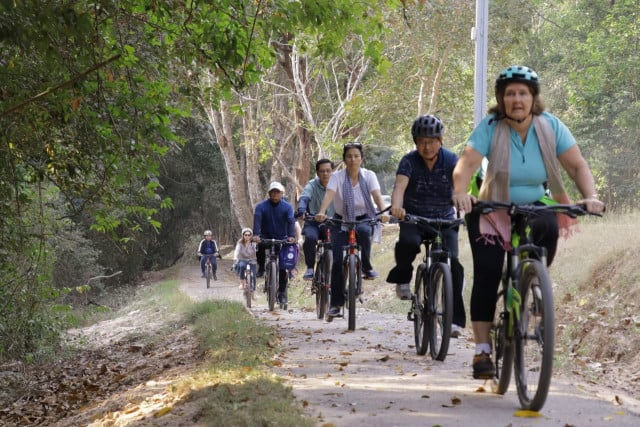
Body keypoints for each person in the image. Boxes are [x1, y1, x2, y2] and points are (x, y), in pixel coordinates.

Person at [451, 65, 606, 379]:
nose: (516, 99)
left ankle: (533, 279)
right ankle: (482, 350)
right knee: (488, 273)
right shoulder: (491, 127)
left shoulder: (550, 126)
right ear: (502, 99)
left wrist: (590, 195)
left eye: (523, 93)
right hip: (491, 204)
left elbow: (576, 166)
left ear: (534, 98)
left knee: (548, 225)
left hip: (534, 201)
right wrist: (459, 193)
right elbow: (465, 165)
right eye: (510, 94)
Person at [386, 115, 467, 337]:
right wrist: (397, 207)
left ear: (440, 140)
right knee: (408, 243)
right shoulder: (409, 161)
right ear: (415, 142)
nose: (427, 146)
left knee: (454, 265)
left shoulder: (451, 159)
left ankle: (454, 321)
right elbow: (400, 188)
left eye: (431, 141)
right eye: (421, 141)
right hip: (415, 218)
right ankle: (403, 276)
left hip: (444, 219)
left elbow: (459, 185)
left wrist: (460, 197)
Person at [315, 142, 389, 318]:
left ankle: (366, 267)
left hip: (364, 217)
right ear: (344, 159)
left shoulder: (369, 175)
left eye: (356, 156)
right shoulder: (337, 177)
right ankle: (336, 304)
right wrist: (322, 211)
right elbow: (329, 195)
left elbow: (377, 196)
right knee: (338, 262)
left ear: (361, 158)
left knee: (364, 232)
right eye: (349, 156)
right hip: (341, 220)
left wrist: (383, 212)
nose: (353, 159)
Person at [253, 181, 297, 305]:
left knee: (283, 266)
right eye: (272, 191)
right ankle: (261, 267)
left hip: (282, 238)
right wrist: (256, 235)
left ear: (282, 193)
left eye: (277, 192)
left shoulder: (287, 207)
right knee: (260, 246)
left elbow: (290, 221)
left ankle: (282, 293)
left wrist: (292, 236)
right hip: (265, 236)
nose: (275, 194)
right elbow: (257, 219)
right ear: (269, 193)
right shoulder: (261, 206)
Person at [295, 159, 335, 280]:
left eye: (328, 171)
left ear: (332, 172)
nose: (325, 174)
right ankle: (310, 268)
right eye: (322, 171)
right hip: (313, 223)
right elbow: (304, 197)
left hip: (333, 222)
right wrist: (302, 209)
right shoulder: (311, 185)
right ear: (317, 173)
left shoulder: (338, 185)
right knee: (310, 238)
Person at [233, 227, 258, 292]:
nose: (247, 236)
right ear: (243, 235)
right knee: (242, 267)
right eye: (245, 235)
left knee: (254, 274)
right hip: (243, 259)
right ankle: (241, 283)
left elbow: (256, 250)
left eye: (249, 235)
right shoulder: (240, 242)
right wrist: (235, 257)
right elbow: (237, 250)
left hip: (252, 259)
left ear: (251, 235)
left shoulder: (253, 242)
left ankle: (253, 288)